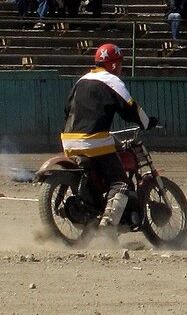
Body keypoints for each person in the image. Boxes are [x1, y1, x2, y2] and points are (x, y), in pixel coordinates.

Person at [61, 44, 156, 230]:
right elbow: (130, 108)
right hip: (93, 141)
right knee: (120, 182)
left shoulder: (81, 80)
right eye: (120, 63)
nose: (120, 68)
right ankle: (108, 225)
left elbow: (67, 110)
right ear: (113, 65)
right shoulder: (112, 81)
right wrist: (147, 122)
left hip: (69, 140)